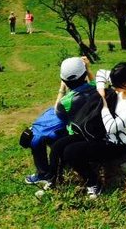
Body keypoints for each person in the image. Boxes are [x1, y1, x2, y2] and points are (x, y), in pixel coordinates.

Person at [42, 62, 126, 199]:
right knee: (58, 146)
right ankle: (53, 180)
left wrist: (103, 102)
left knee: (71, 152)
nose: (114, 89)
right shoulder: (123, 85)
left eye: (116, 87)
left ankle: (94, 184)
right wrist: (97, 83)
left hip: (114, 144)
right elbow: (101, 74)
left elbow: (112, 127)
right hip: (99, 134)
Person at [24, 57, 96, 185]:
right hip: (89, 129)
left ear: (64, 80)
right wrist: (88, 69)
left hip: (73, 132)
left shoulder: (67, 101)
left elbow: (58, 111)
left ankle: (43, 173)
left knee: (37, 136)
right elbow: (94, 82)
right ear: (84, 74)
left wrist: (61, 88)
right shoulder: (94, 90)